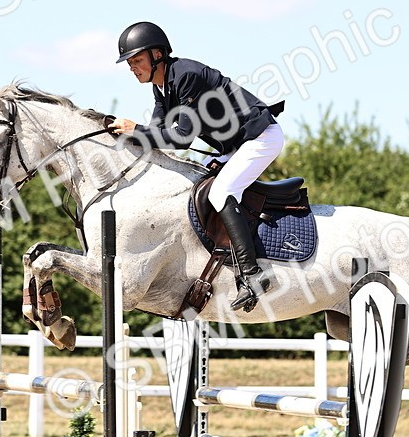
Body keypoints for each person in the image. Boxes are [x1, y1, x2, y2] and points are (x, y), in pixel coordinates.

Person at [108, 21, 283, 312]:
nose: (132, 68)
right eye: (129, 63)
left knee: (221, 192)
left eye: (136, 60)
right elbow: (156, 133)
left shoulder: (186, 76)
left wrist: (135, 129)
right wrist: (119, 135)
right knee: (193, 184)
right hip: (235, 147)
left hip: (260, 137)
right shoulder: (162, 86)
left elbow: (181, 138)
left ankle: (253, 274)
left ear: (157, 55)